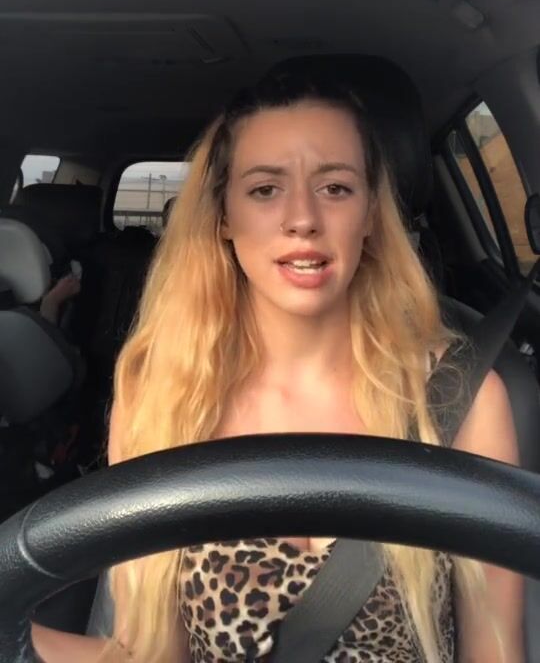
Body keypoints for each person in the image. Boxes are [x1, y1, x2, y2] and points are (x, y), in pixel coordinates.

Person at [32, 66, 523, 663]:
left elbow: (496, 653)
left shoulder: (460, 400)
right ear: (223, 217)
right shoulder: (161, 398)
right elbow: (151, 652)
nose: (302, 219)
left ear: (371, 213)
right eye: (265, 189)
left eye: (335, 187)